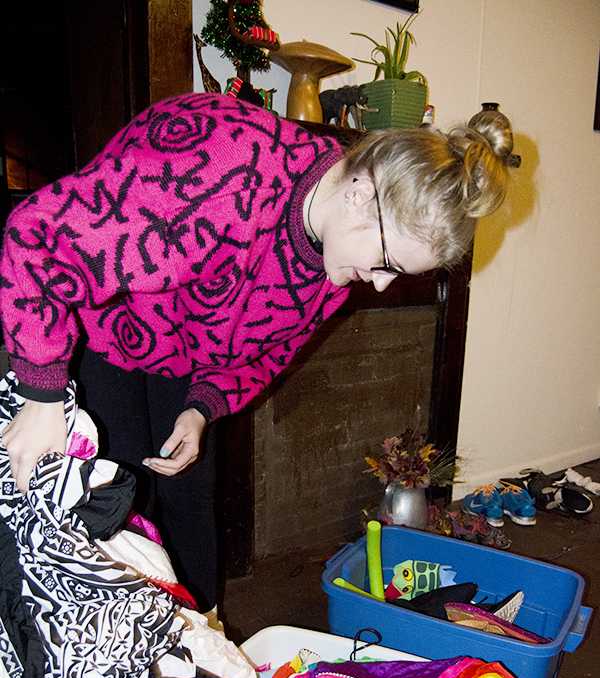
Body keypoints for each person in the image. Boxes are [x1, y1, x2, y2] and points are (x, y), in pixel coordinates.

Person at [0, 92, 513, 614]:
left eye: (398, 273)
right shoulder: (226, 167)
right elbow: (37, 238)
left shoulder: (332, 265)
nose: (380, 286)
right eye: (386, 261)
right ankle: (125, 664)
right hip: (95, 322)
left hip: (179, 351)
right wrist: (42, 396)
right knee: (117, 505)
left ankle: (203, 641)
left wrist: (201, 408)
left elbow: (262, 356)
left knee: (189, 501)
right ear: (362, 192)